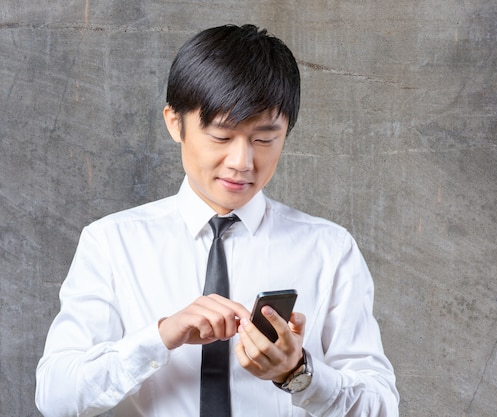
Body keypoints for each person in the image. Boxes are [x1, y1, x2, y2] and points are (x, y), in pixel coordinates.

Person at [35, 24, 399, 417]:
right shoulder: (111, 243)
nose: (242, 163)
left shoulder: (329, 249)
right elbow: (56, 396)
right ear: (176, 123)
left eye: (263, 139)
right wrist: (159, 337)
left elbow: (380, 406)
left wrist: (299, 372)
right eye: (222, 137)